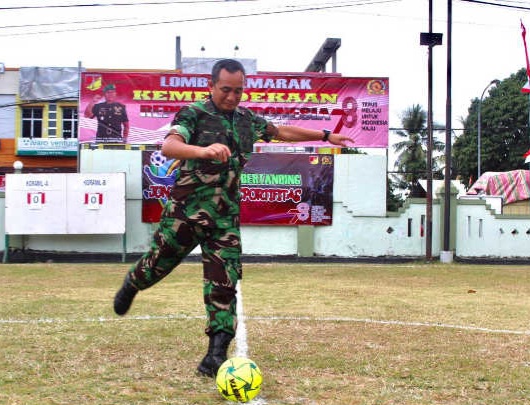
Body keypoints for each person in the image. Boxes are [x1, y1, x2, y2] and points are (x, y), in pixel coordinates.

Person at [113, 58, 354, 377]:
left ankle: (215, 355)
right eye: (226, 90)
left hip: (224, 215)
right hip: (186, 210)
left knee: (224, 280)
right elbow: (170, 146)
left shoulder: (246, 120)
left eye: (238, 91)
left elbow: (280, 131)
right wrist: (203, 151)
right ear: (211, 86)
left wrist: (326, 135)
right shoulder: (194, 114)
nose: (232, 96)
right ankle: (133, 282)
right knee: (159, 262)